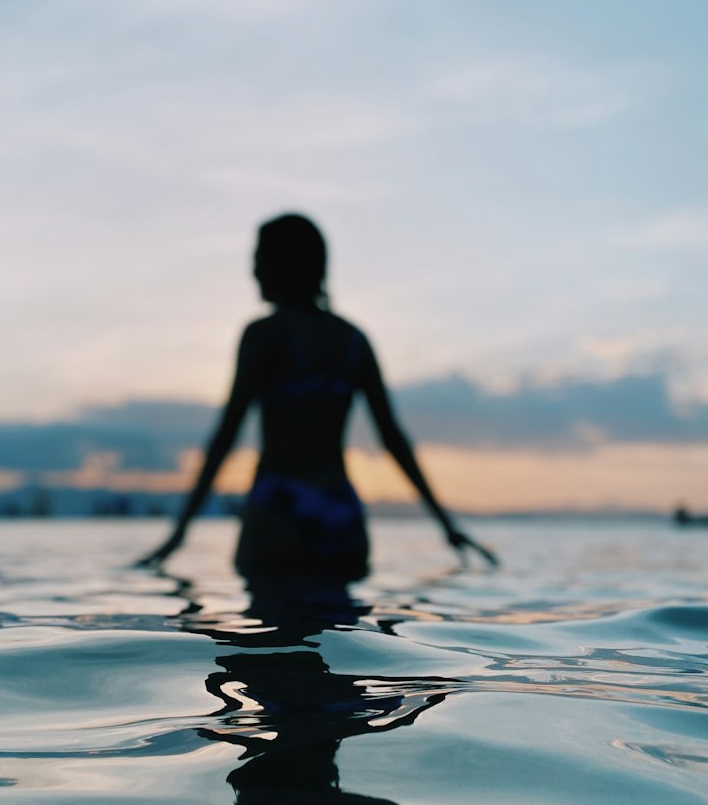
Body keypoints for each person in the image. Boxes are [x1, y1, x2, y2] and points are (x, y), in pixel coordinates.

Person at [139, 213, 496, 578]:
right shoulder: (353, 339)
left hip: (279, 506)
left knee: (270, 623)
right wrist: (446, 525)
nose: (254, 272)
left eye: (260, 259)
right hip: (340, 512)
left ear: (281, 266)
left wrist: (180, 532)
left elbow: (226, 435)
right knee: (338, 629)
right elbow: (393, 438)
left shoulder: (264, 335)